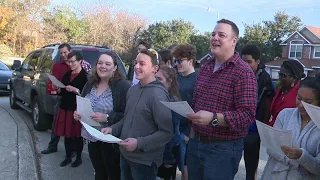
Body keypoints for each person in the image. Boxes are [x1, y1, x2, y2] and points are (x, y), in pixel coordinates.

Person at [186, 19, 258, 180]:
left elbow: (247, 116)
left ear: (234, 41)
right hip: (196, 144)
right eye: (213, 34)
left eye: (221, 35)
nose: (215, 38)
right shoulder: (205, 67)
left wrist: (213, 118)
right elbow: (196, 103)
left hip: (222, 150)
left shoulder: (243, 73)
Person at [101, 49, 173, 180]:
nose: (136, 67)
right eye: (135, 63)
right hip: (125, 156)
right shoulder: (132, 90)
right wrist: (113, 129)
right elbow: (126, 119)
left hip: (144, 162)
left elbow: (166, 133)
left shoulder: (158, 95)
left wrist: (139, 143)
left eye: (142, 64)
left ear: (155, 69)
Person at [74, 51, 130, 180]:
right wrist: (78, 113)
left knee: (114, 173)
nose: (102, 66)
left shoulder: (122, 87)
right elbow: (82, 102)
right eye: (100, 63)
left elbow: (128, 115)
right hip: (91, 136)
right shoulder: (90, 83)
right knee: (99, 171)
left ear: (115, 68)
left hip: (110, 139)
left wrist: (107, 117)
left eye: (107, 64)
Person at [261, 74, 320, 180]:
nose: (301, 104)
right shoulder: (285, 115)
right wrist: (296, 161)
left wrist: (302, 156)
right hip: (274, 175)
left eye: (308, 102)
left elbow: (318, 167)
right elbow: (271, 148)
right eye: (299, 98)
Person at [41, 43, 91, 154]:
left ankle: (73, 151)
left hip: (77, 102)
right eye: (61, 53)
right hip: (63, 98)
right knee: (57, 124)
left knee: (74, 127)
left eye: (65, 52)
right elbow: (57, 81)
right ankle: (53, 146)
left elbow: (87, 85)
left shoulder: (83, 66)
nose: (63, 55)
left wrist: (76, 90)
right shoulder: (58, 66)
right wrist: (55, 86)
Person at [241, 44, 275, 180]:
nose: (245, 65)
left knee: (251, 165)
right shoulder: (239, 75)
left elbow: (270, 106)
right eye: (243, 62)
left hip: (253, 128)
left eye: (249, 62)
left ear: (258, 61)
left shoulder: (265, 80)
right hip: (236, 126)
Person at [54, 52, 88, 167]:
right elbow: (62, 91)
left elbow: (87, 95)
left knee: (77, 135)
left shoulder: (85, 77)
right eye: (69, 62)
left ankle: (78, 158)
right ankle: (68, 157)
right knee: (67, 135)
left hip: (77, 110)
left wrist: (75, 90)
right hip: (65, 108)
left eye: (73, 61)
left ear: (80, 61)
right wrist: (59, 89)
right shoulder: (67, 74)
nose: (70, 64)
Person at [172, 43, 198, 180]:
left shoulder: (197, 80)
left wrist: (190, 134)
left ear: (190, 60)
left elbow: (198, 108)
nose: (177, 64)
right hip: (174, 128)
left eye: (180, 60)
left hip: (187, 132)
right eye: (175, 61)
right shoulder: (176, 78)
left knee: (186, 168)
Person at [156, 66, 183, 180]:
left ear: (170, 81)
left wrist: (168, 158)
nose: (156, 82)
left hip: (169, 151)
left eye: (160, 79)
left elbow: (171, 132)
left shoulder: (172, 101)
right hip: (158, 149)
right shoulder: (159, 96)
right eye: (155, 78)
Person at [268, 60, 305, 127]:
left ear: (294, 78)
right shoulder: (280, 91)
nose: (280, 78)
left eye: (283, 75)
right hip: (272, 128)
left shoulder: (300, 95)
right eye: (280, 74)